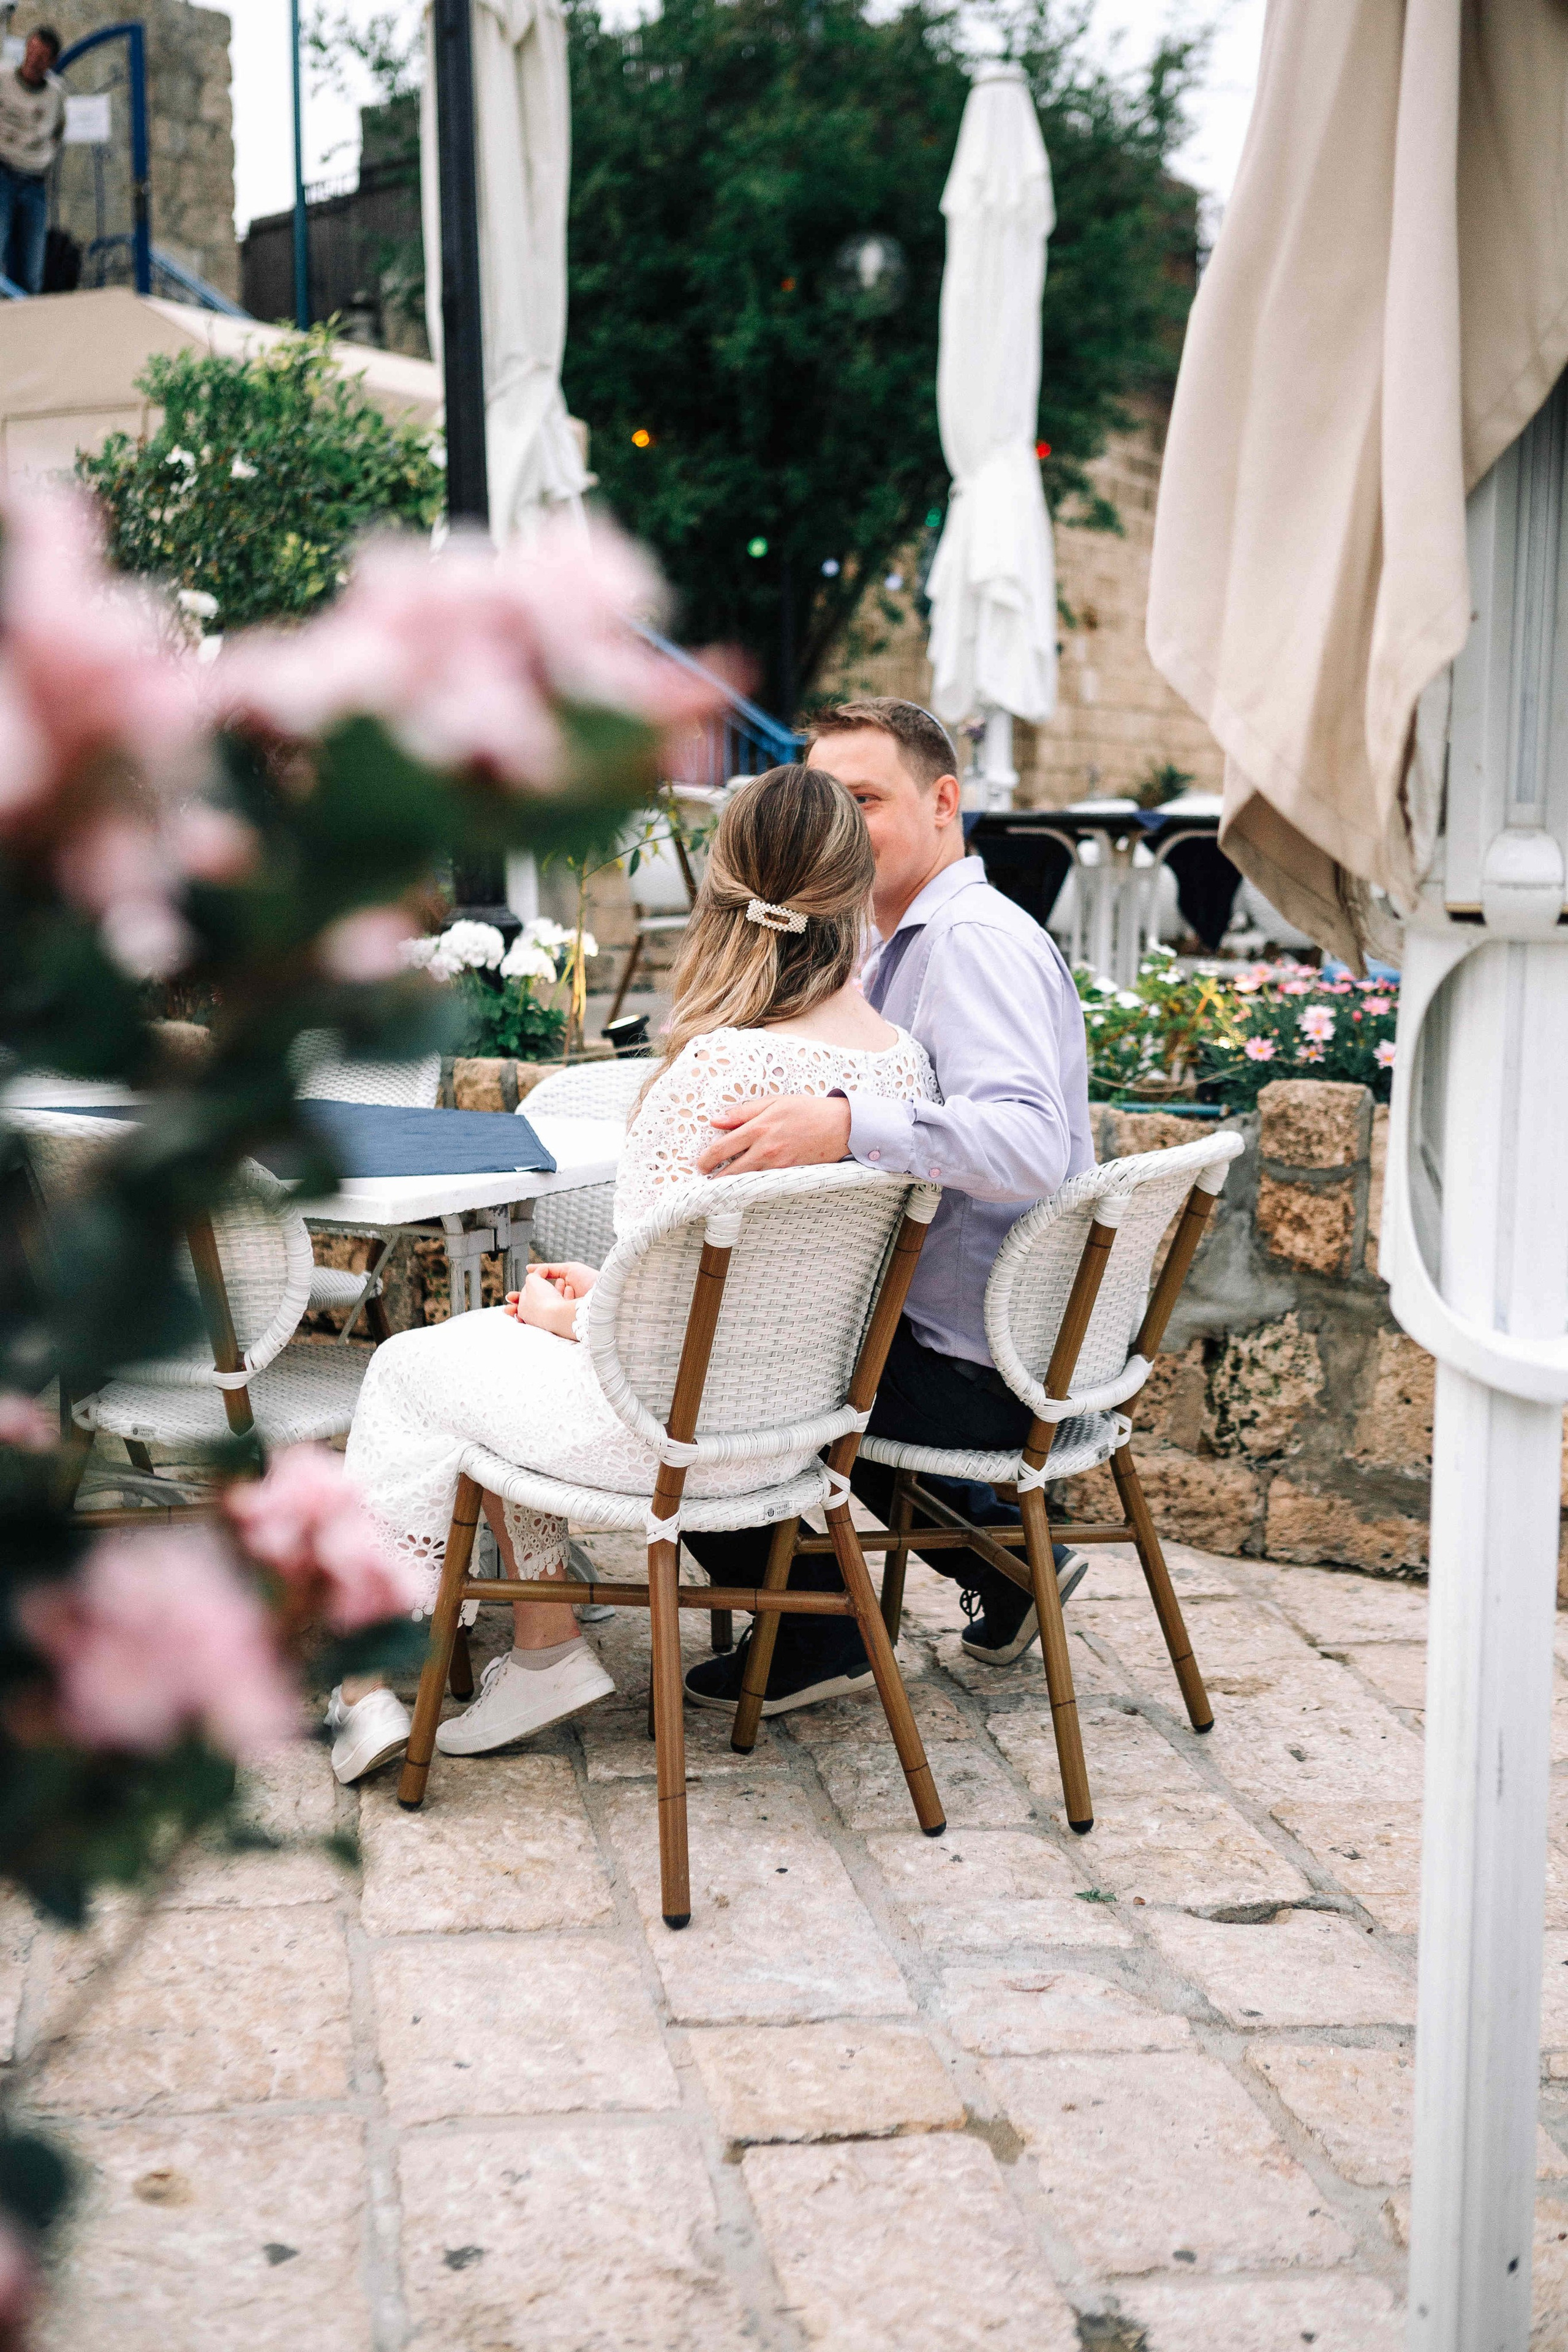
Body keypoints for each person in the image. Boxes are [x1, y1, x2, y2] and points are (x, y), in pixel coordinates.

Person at [328, 763, 938, 1784]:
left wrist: (574, 1316)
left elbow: (641, 1333)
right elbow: (728, 1278)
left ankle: (370, 1681)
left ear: (724, 890)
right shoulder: (901, 1070)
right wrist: (596, 1297)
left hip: (669, 1439)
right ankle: (540, 1649)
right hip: (800, 1440)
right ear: (851, 885)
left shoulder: (715, 1071)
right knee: (494, 1352)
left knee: (407, 1369)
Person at [682, 696, 1095, 1719]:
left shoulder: (967, 944)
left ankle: (817, 1626)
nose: (842, 827)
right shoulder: (897, 938)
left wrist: (840, 1123)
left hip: (978, 1361)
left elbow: (1030, 1145)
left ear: (945, 800)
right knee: (740, 1327)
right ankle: (996, 1559)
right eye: (829, 802)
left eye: (866, 799)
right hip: (979, 1331)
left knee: (702, 1367)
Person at [0, 27, 62, 297]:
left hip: (35, 181)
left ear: (51, 62)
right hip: (3, 173)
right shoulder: (4, 80)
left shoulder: (56, 94)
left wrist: (42, 156)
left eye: (42, 57)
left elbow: (58, 131)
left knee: (31, 267)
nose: (33, 61)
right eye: (31, 52)